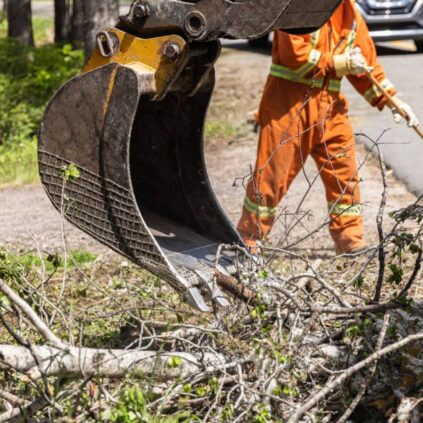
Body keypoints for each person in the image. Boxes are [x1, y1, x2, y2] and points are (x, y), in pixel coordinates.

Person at [237, 0, 420, 254]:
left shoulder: (351, 14)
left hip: (330, 109)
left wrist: (395, 101)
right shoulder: (298, 8)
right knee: (271, 178)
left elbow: (366, 66)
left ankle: (350, 242)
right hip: (288, 108)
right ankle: (248, 240)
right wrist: (340, 63)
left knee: (344, 176)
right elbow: (295, 57)